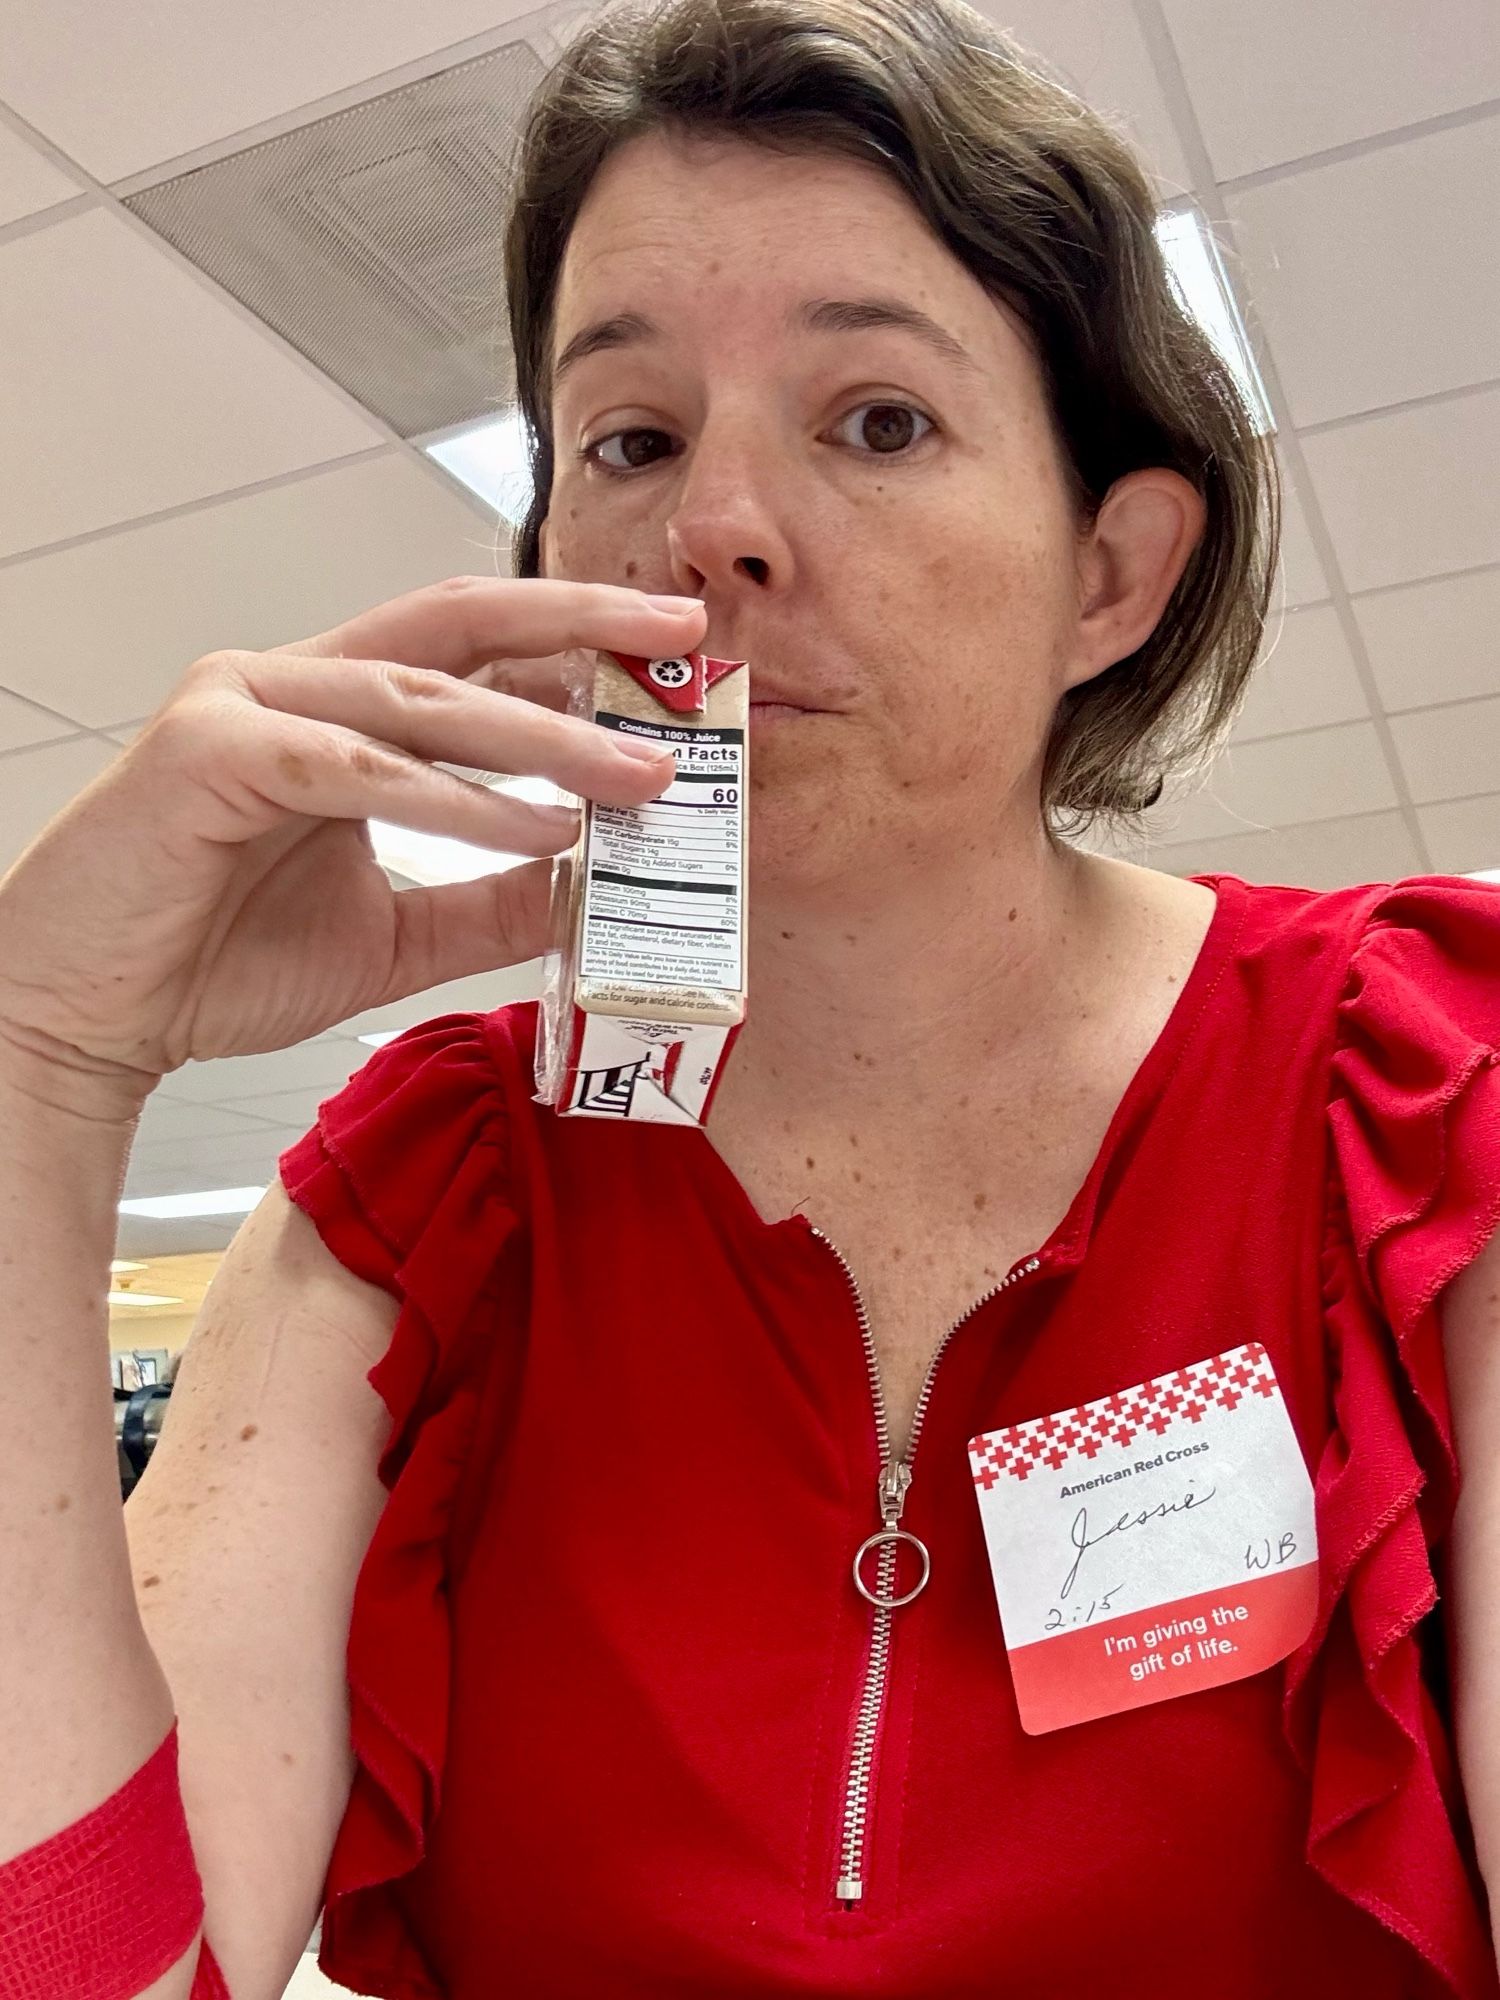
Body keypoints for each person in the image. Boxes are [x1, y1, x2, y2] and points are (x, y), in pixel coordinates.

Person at [1, 0, 1497, 1994]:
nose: (711, 530)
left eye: (878, 418)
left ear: (1112, 574)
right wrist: (40, 1069)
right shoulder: (422, 1203)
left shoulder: (1423, 1108)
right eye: (630, 437)